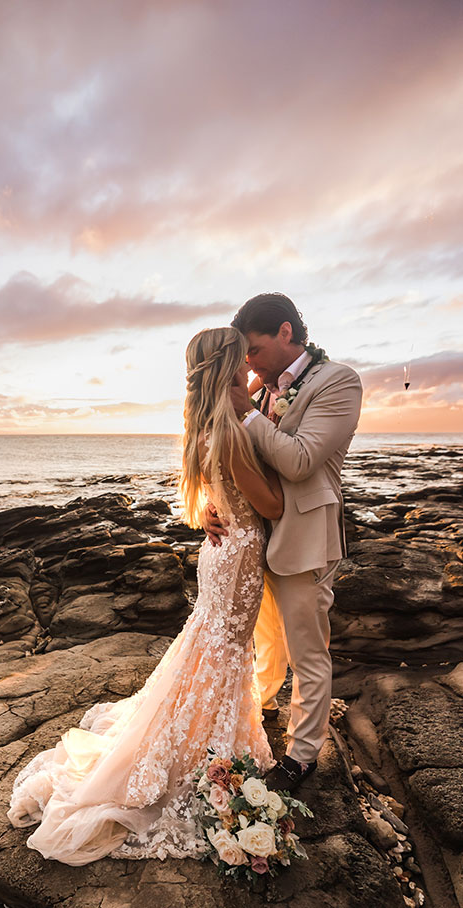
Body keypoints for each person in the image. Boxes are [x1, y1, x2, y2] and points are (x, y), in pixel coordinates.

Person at [7, 326, 283, 866]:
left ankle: (210, 734)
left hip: (222, 554)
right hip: (240, 554)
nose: (249, 367)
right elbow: (271, 507)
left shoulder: (204, 425)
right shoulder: (231, 429)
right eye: (240, 359)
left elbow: (210, 493)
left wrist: (213, 504)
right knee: (222, 650)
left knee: (213, 649)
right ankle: (205, 746)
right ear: (226, 365)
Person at [203, 293, 362, 792]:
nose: (247, 361)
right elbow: (240, 460)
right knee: (266, 635)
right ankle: (264, 701)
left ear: (287, 333)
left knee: (307, 649)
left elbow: (299, 461)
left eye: (253, 349)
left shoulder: (338, 381)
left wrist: (248, 412)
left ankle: (302, 754)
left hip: (304, 536)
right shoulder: (264, 387)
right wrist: (216, 507)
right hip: (255, 536)